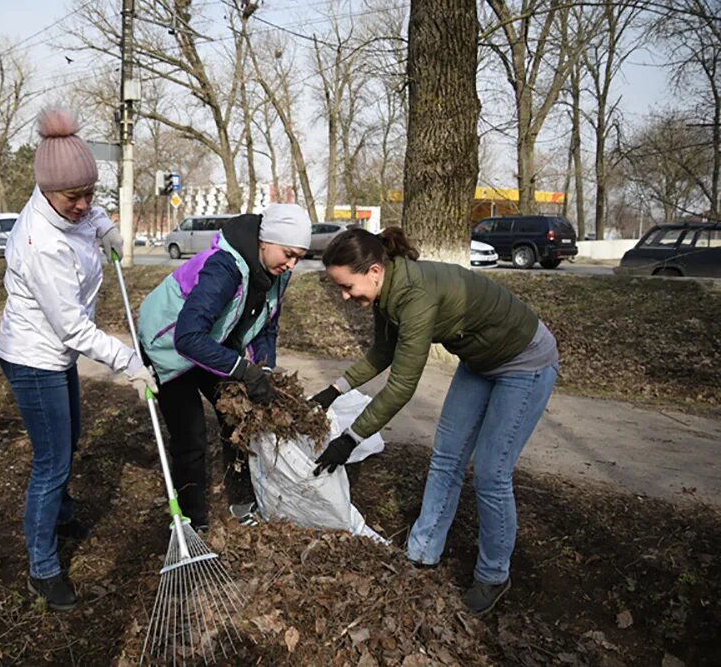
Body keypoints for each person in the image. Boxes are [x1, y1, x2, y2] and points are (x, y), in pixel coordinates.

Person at [309, 227, 558, 617]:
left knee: (491, 474)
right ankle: (422, 554)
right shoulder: (387, 293)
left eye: (347, 286)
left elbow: (402, 387)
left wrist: (350, 438)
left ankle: (494, 575)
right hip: (481, 360)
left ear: (374, 271)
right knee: (446, 457)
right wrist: (333, 391)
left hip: (524, 360)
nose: (345, 295)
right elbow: (381, 353)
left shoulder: (415, 296)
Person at [0, 107, 156, 612]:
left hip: (55, 351)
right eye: (74, 198)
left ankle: (60, 513)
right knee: (51, 461)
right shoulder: (40, 243)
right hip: (34, 356)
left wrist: (104, 225)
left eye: (91, 194)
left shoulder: (70, 204)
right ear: (46, 190)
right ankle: (42, 569)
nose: (84, 204)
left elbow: (88, 209)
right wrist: (128, 361)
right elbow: (73, 328)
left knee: (70, 439)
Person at [137, 203, 311, 533]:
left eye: (299, 257)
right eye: (288, 253)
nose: (291, 264)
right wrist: (243, 369)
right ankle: (192, 521)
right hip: (170, 344)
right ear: (266, 241)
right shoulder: (225, 268)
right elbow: (187, 338)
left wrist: (265, 368)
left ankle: (242, 503)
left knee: (237, 418)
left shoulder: (277, 275)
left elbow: (268, 326)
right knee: (191, 436)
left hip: (211, 342)